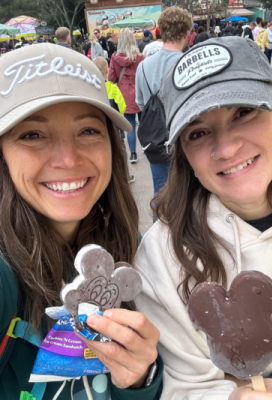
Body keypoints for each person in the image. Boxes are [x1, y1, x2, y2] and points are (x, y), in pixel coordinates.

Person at [135, 35, 272, 400]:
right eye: (198, 133)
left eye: (243, 111)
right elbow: (185, 386)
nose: (226, 148)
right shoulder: (163, 258)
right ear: (185, 158)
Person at [0, 43, 162, 400]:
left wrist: (139, 381)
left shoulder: (120, 244)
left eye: (88, 131)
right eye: (32, 134)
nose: (68, 159)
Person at [135, 6, 192, 196]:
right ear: (186, 33)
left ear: (161, 30)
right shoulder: (190, 63)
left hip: (156, 140)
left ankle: (161, 225)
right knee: (190, 193)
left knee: (161, 194)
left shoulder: (143, 66)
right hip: (187, 140)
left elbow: (141, 103)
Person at [93, 56, 135, 184]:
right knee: (120, 153)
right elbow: (122, 107)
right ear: (107, 71)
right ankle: (125, 176)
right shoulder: (112, 88)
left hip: (98, 128)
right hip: (115, 128)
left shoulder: (92, 89)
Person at [108, 28, 144, 163]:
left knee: (130, 126)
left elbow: (111, 79)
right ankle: (146, 147)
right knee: (143, 123)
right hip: (140, 94)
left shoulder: (115, 58)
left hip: (124, 96)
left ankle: (133, 154)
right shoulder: (140, 57)